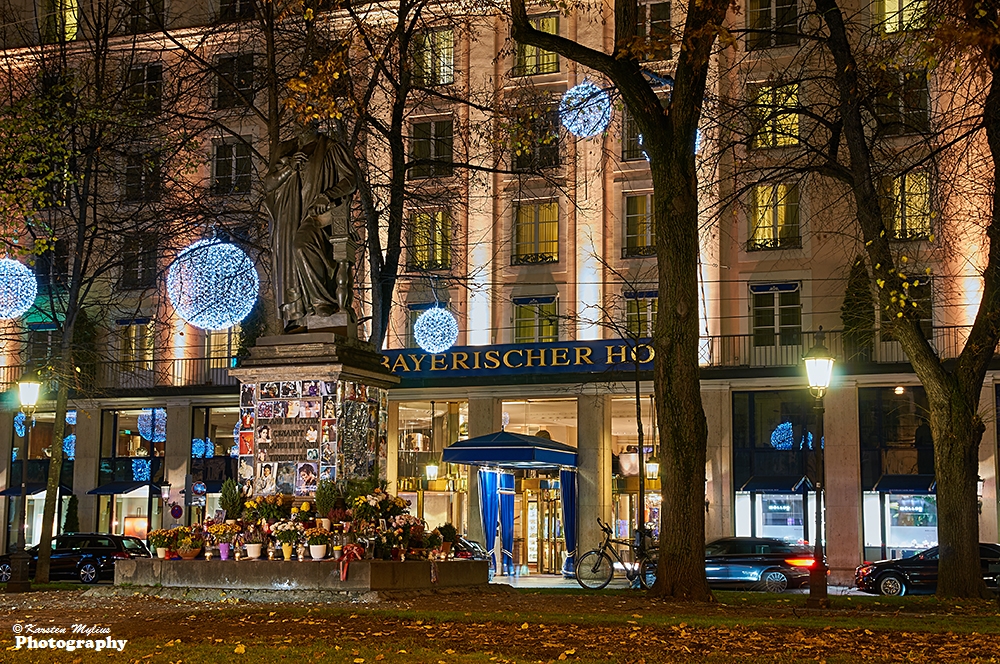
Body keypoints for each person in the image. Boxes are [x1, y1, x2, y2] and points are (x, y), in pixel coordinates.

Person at [264, 124, 358, 332]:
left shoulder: (331, 147)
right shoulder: (285, 149)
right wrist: (289, 168)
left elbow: (350, 180)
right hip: (288, 216)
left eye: (307, 115)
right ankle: (298, 316)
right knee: (289, 256)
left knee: (301, 245)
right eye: (298, 114)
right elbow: (268, 184)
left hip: (319, 216)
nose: (301, 121)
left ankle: (321, 303)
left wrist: (328, 196)